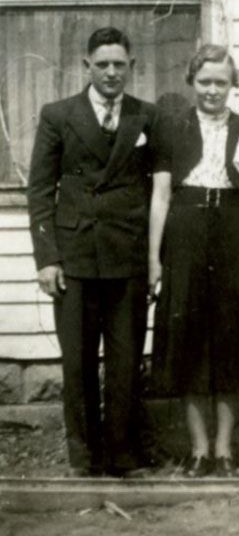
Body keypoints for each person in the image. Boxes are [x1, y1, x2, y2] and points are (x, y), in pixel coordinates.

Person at [27, 27, 156, 477]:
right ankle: (84, 456)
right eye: (102, 64)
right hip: (75, 257)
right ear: (87, 66)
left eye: (119, 64)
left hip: (127, 255)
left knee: (125, 359)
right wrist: (47, 258)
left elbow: (156, 190)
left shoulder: (146, 116)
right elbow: (40, 190)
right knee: (78, 362)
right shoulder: (58, 115)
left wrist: (153, 259)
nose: (111, 72)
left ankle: (121, 453)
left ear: (131, 66)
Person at [149, 44, 239, 477]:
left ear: (232, 84)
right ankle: (199, 448)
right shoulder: (171, 129)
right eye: (204, 82)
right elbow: (160, 197)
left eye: (221, 82)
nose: (213, 90)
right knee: (188, 340)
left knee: (228, 338)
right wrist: (154, 259)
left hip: (229, 234)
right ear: (192, 82)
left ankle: (224, 449)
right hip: (183, 232)